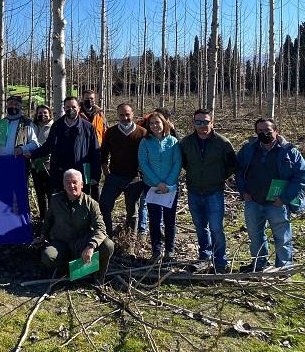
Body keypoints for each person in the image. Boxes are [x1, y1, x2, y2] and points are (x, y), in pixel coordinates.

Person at [236, 118, 305, 272]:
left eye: (268, 130)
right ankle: (258, 265)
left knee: (282, 237)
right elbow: (239, 171)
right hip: (254, 201)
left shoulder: (289, 151)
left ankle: (284, 269)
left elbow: (302, 177)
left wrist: (284, 198)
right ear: (256, 132)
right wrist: (243, 191)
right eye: (260, 130)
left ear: (276, 131)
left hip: (278, 203)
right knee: (255, 236)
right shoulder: (249, 149)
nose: (265, 133)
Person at [179, 108, 237, 273]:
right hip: (194, 190)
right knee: (200, 226)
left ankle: (220, 261)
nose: (202, 125)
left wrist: (219, 177)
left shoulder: (223, 143)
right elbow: (183, 162)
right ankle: (204, 256)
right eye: (198, 122)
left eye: (205, 122)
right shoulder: (186, 143)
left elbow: (232, 164)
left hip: (214, 192)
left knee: (216, 228)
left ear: (212, 123)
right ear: (194, 123)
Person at [35, 169, 114, 282]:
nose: (71, 186)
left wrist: (90, 247)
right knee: (48, 257)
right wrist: (42, 236)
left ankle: (96, 278)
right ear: (63, 185)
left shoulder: (91, 203)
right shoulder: (55, 200)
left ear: (81, 184)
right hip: (61, 243)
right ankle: (69, 272)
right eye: (67, 182)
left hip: (81, 243)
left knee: (108, 245)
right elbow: (48, 220)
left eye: (74, 182)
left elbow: (100, 229)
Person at [26, 97, 101, 198]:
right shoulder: (57, 126)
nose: (71, 109)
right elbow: (48, 146)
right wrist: (32, 154)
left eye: (73, 107)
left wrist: (95, 175)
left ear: (79, 108)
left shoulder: (88, 127)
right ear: (64, 108)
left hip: (80, 172)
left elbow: (95, 152)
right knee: (61, 203)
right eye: (68, 107)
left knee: (80, 202)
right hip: (60, 172)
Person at [97, 102, 147, 243]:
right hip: (115, 177)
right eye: (121, 115)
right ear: (117, 116)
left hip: (134, 178)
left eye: (127, 114)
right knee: (104, 206)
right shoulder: (111, 132)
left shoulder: (142, 133)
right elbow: (104, 153)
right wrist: (105, 169)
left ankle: (130, 240)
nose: (125, 118)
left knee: (133, 211)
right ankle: (107, 237)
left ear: (133, 114)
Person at [138, 112, 182, 262]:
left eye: (158, 122)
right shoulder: (145, 142)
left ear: (164, 124)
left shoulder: (173, 141)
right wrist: (158, 183)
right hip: (152, 187)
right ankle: (156, 251)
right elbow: (144, 164)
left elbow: (177, 163)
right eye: (152, 123)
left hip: (170, 188)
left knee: (170, 220)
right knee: (155, 220)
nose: (155, 126)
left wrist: (168, 183)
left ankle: (170, 250)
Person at [31, 104, 54, 219]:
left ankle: (51, 219)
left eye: (45, 113)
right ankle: (42, 218)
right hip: (35, 165)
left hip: (49, 165)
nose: (43, 115)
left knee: (50, 194)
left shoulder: (53, 126)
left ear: (49, 114)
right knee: (39, 194)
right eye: (40, 113)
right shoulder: (33, 126)